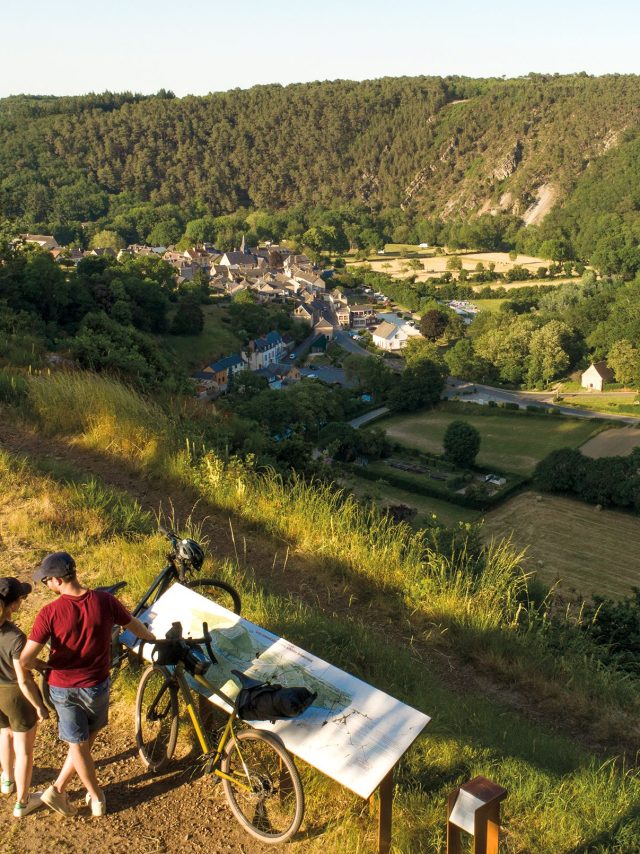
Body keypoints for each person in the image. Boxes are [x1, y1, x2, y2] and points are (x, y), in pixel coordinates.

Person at [21, 551, 155, 818]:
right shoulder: (105, 601)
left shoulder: (49, 612)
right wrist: (152, 638)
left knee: (78, 745)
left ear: (58, 580)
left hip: (62, 688)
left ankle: (95, 797)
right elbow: (135, 626)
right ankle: (60, 791)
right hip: (96, 686)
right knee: (83, 744)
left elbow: (25, 659)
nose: (46, 585)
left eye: (46, 580)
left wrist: (42, 666)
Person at [0, 576, 49, 819]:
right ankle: (23, 801)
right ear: (13, 605)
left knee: (4, 734)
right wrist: (39, 705)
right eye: (21, 597)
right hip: (15, 695)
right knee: (25, 751)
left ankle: (7, 779)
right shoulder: (16, 637)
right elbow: (23, 679)